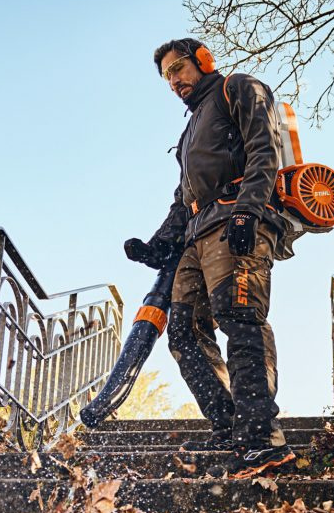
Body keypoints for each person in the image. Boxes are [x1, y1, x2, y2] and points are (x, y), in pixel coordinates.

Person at [124, 37, 295, 478]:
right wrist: (159, 243)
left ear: (203, 60)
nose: (174, 80)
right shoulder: (190, 131)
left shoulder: (236, 89)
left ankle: (261, 438)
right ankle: (229, 423)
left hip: (235, 218)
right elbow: (184, 199)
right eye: (167, 76)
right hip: (196, 237)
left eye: (179, 68)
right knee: (182, 333)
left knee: (239, 316)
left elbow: (264, 148)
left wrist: (249, 210)